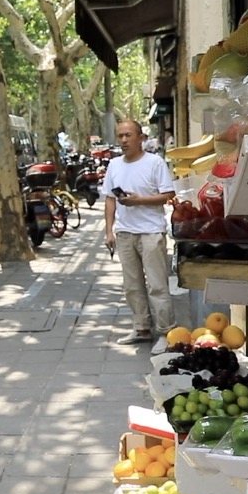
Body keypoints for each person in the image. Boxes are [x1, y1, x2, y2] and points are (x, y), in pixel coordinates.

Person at [102, 120, 177, 351]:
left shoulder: (155, 163)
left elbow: (169, 195)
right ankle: (142, 327)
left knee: (157, 285)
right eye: (120, 136)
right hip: (125, 233)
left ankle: (166, 332)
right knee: (132, 286)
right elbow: (110, 199)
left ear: (141, 138)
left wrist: (139, 201)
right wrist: (109, 231)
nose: (124, 140)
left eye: (128, 135)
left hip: (151, 232)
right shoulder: (114, 165)